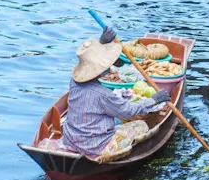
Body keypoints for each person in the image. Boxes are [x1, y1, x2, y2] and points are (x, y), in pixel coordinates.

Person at [59, 27, 172, 159]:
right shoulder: (104, 94)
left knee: (114, 121)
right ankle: (123, 154)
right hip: (96, 147)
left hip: (71, 140)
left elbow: (91, 59)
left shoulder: (74, 82)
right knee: (140, 125)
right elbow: (129, 111)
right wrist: (154, 100)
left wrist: (102, 42)